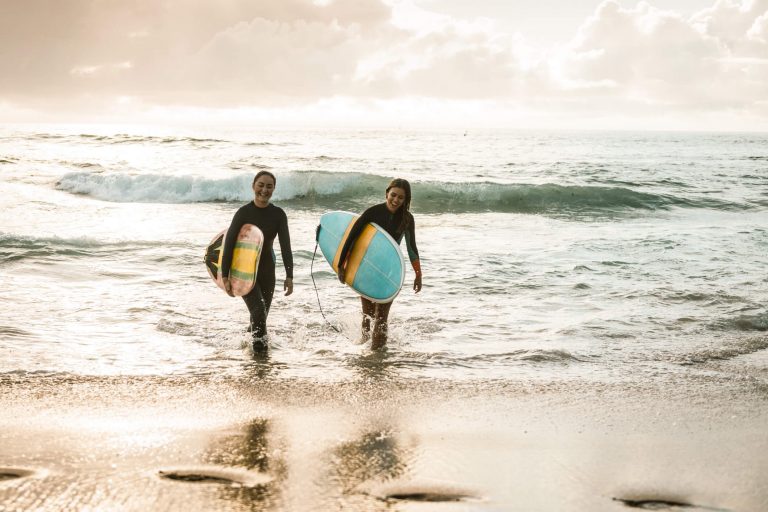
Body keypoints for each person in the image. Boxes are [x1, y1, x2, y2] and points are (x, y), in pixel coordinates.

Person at [337, 178, 422, 350]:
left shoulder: (407, 219)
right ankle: (365, 352)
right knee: (367, 314)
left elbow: (412, 247)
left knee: (382, 317)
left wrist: (418, 274)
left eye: (401, 197)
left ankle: (378, 355)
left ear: (406, 200)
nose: (396, 200)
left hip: (389, 272)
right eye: (393, 195)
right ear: (387, 193)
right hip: (367, 268)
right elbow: (352, 237)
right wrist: (341, 265)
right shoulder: (373, 213)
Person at [221, 171, 293, 351]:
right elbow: (229, 244)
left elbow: (285, 246)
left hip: (268, 271)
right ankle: (260, 359)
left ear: (274, 189)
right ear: (253, 186)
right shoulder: (243, 213)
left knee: (260, 316)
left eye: (269, 186)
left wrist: (289, 276)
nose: (264, 190)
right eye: (261, 185)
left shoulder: (278, 214)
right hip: (243, 272)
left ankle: (249, 351)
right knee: (259, 312)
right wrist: (225, 275)